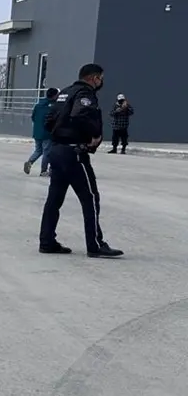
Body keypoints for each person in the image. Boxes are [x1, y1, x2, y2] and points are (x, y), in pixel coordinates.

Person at [39, 64, 124, 257]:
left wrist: (58, 134)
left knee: (54, 199)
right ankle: (95, 245)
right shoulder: (85, 94)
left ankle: (47, 241)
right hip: (74, 153)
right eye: (101, 78)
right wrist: (93, 135)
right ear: (94, 78)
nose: (101, 82)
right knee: (91, 198)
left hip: (57, 151)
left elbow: (48, 120)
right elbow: (80, 114)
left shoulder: (64, 93)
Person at [25, 87, 59, 176]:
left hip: (37, 132)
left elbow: (33, 117)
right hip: (47, 133)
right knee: (46, 153)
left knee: (38, 150)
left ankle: (29, 162)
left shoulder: (38, 104)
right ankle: (43, 171)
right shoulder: (53, 106)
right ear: (54, 96)